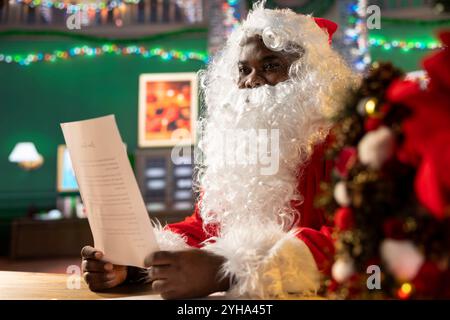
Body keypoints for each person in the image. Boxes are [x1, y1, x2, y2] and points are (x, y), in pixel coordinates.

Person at [81, 1, 358, 299]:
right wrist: (137, 265)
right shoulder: (239, 148)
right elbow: (203, 230)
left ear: (309, 77)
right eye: (244, 69)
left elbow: (352, 242)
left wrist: (230, 270)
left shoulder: (344, 144)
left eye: (271, 66)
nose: (251, 81)